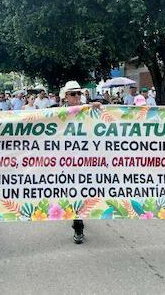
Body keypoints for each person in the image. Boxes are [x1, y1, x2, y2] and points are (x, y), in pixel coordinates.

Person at [60, 80, 102, 244]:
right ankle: (76, 222)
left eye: (79, 93)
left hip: (85, 161)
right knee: (71, 193)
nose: (77, 96)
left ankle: (78, 224)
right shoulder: (56, 113)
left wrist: (99, 108)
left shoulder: (89, 110)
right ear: (66, 97)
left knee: (81, 192)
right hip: (64, 161)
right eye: (73, 94)